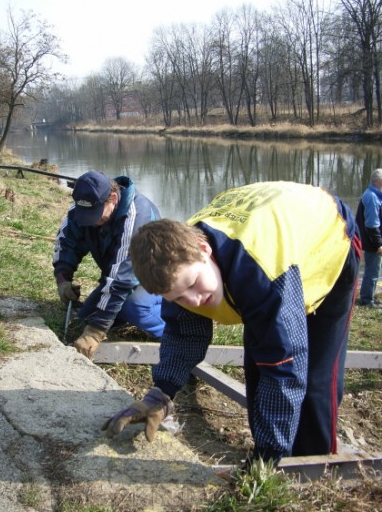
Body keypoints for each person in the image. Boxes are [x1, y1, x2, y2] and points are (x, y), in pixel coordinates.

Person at [102, 181, 362, 464]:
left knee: (314, 378)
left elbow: (283, 369)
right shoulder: (176, 267)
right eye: (179, 297)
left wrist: (268, 461)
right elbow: (183, 335)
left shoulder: (260, 274)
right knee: (258, 368)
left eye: (193, 285)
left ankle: (313, 466)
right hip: (271, 236)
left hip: (329, 235)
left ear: (204, 249)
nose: (194, 300)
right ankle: (272, 454)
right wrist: (161, 393)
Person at [53, 170, 165, 358]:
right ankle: (120, 314)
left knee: (133, 307)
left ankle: (179, 332)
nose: (92, 222)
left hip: (157, 278)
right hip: (121, 275)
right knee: (85, 318)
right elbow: (66, 242)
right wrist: (63, 278)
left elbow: (122, 278)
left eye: (96, 215)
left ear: (113, 198)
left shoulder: (137, 216)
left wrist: (96, 332)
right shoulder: (83, 206)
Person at [355, 169, 382, 308]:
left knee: (374, 269)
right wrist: (379, 244)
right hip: (372, 241)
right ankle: (367, 300)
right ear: (377, 181)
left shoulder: (375, 194)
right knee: (372, 270)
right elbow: (372, 225)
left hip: (371, 239)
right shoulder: (372, 197)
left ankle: (369, 296)